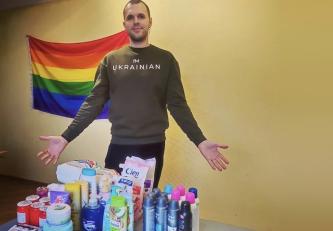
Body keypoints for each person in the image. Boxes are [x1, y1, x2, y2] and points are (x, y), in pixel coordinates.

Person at [37, 0, 229, 187]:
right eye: (130, 17)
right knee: (114, 204)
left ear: (150, 21)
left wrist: (200, 140)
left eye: (141, 16)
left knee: (144, 203)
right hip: (119, 146)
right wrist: (65, 137)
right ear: (124, 24)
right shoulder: (110, 61)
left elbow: (178, 105)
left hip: (153, 147)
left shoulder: (166, 60)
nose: (136, 21)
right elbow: (93, 103)